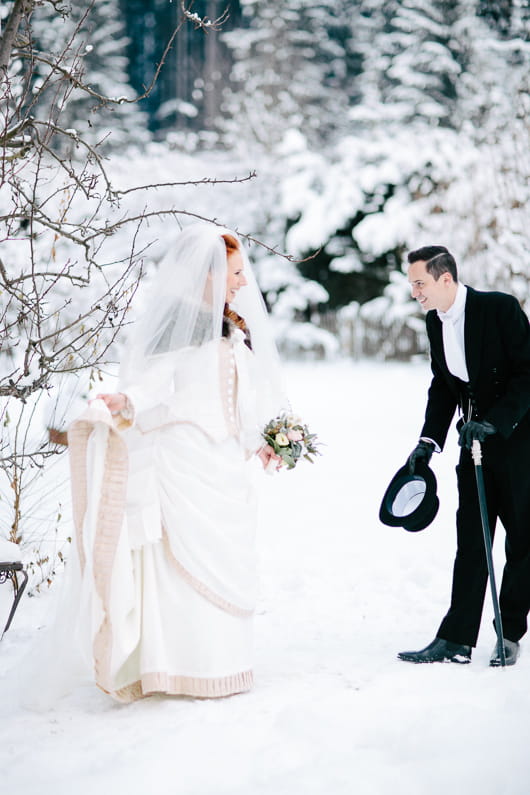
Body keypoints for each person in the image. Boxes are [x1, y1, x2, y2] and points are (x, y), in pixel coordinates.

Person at [36, 223, 286, 704]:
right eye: (234, 273)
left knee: (226, 561)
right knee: (178, 566)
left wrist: (260, 441)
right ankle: (181, 667)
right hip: (183, 459)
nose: (242, 282)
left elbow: (235, 397)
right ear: (209, 274)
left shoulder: (231, 325)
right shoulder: (180, 324)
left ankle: (225, 662)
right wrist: (124, 399)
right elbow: (154, 384)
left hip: (224, 464)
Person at [398, 245, 530, 667]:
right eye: (412, 284)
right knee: (472, 540)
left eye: (420, 283)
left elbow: (528, 374)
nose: (415, 292)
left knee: (523, 541)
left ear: (446, 279)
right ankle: (456, 638)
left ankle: (508, 632)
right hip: (471, 445)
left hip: (517, 443)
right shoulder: (435, 323)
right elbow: (443, 386)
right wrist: (427, 442)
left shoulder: (500, 309)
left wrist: (496, 421)